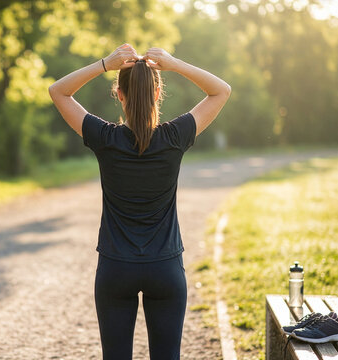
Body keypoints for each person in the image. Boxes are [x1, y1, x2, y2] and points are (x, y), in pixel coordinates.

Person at [48, 43, 231, 360]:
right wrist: (174, 64)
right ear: (158, 93)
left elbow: (58, 92)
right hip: (165, 268)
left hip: (116, 268)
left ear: (118, 94)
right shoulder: (175, 136)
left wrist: (104, 64)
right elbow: (221, 91)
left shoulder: (105, 137)